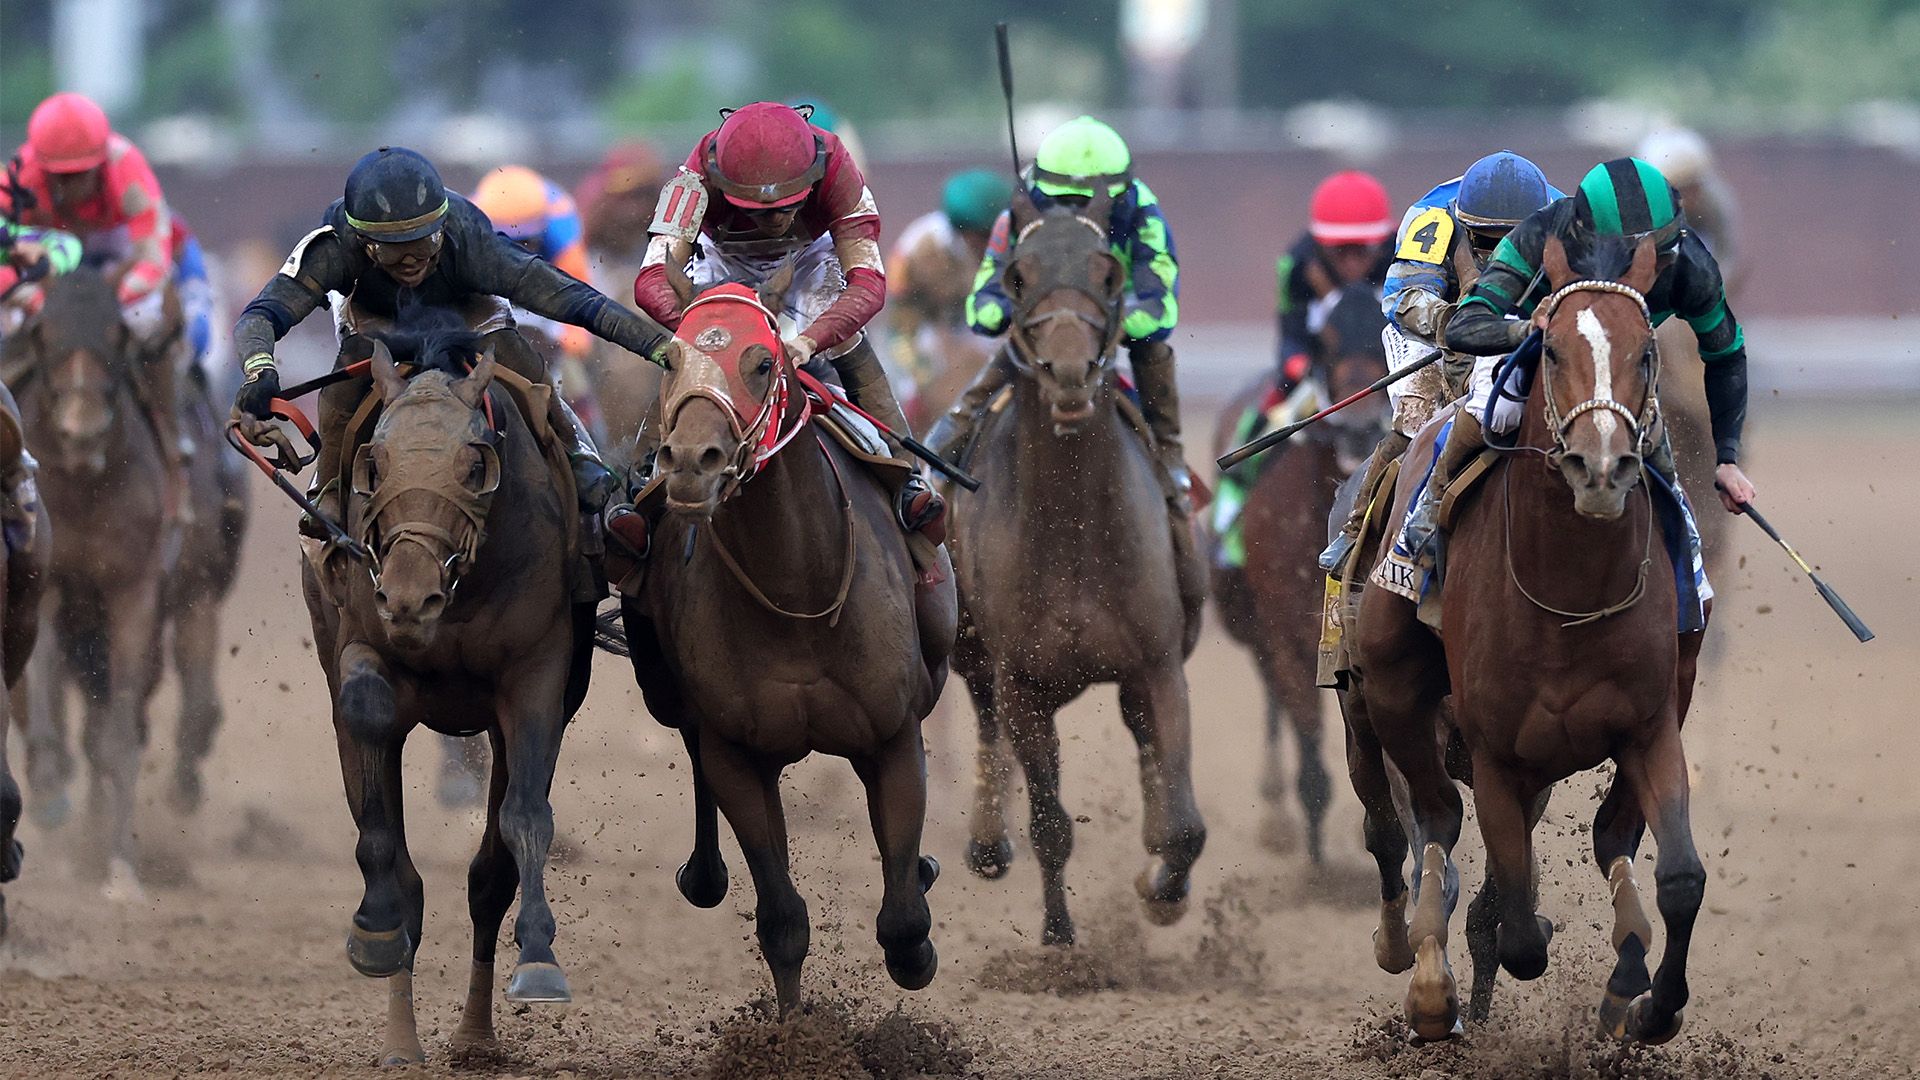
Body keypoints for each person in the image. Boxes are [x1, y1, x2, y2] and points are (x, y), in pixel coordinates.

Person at [228, 146, 677, 547]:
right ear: (362, 243)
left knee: (521, 358)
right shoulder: (331, 246)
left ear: (443, 226)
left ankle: (576, 455)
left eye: (424, 242)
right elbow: (261, 314)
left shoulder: (471, 239)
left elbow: (577, 302)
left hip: (467, 311)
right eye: (393, 250)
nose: (412, 261)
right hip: (376, 321)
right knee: (349, 369)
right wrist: (260, 370)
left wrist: (660, 347)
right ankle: (328, 486)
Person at [1400, 156, 1756, 565]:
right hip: (1532, 336)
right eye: (1634, 256)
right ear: (1587, 238)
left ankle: (1684, 544)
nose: (1652, 268)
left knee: (1649, 421)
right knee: (1493, 408)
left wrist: (1727, 458)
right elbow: (1467, 324)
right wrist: (1526, 331)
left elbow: (1727, 354)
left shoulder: (1690, 265)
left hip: (1620, 350)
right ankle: (1430, 504)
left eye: (1661, 251)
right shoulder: (1542, 234)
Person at [631, 101, 940, 535]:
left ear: (812, 178)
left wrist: (809, 341)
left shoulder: (837, 165)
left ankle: (904, 476)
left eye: (785, 208)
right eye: (755, 210)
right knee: (696, 353)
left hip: (809, 258)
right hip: (722, 260)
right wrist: (704, 325)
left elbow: (869, 285)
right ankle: (640, 485)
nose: (772, 220)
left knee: (845, 336)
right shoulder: (694, 175)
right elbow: (651, 278)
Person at [926, 115, 1196, 586]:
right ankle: (936, 463)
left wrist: (1102, 324)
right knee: (1005, 360)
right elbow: (983, 301)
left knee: (1155, 354)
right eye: (1064, 202)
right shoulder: (1019, 213)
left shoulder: (1144, 213)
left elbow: (1160, 307)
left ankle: (1169, 457)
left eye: (1088, 203)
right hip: (1041, 330)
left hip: (1114, 322)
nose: (1075, 213)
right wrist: (1022, 316)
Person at [1319, 151, 1561, 574]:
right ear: (1464, 225)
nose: (1505, 253)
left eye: (1519, 240)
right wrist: (1461, 324)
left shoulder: (1567, 222)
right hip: (1433, 331)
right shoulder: (1432, 217)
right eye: (1489, 241)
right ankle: (1357, 529)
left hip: (1528, 330)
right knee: (1416, 415)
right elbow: (1402, 300)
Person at [2, 91, 192, 503]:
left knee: (145, 316)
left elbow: (153, 258)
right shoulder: (19, 174)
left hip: (123, 252)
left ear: (102, 163)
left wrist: (108, 303)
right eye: (58, 176)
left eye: (81, 174)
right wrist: (38, 302)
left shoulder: (127, 166)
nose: (69, 186)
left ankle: (172, 437)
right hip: (56, 258)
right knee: (12, 320)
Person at [470, 165, 604, 435]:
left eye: (525, 241)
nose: (515, 252)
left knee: (573, 372)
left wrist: (570, 341)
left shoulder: (562, 223)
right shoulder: (469, 223)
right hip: (494, 304)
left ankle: (593, 452)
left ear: (542, 230)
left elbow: (579, 297)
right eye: (505, 241)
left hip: (547, 300)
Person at [1272, 171, 1394, 407]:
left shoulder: (1402, 253)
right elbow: (1291, 336)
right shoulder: (1296, 265)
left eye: (1363, 250)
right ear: (1320, 246)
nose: (1352, 263)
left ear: (1381, 245)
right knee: (1273, 400)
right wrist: (1300, 366)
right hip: (1320, 366)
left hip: (1387, 365)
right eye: (1339, 250)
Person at [885, 168, 1007, 398]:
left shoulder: (1013, 239)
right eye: (982, 236)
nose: (990, 243)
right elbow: (902, 323)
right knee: (912, 393)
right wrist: (921, 373)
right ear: (960, 228)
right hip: (934, 337)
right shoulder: (915, 249)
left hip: (995, 333)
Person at [1636, 128, 1740, 289]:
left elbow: (1725, 252)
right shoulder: (1644, 212)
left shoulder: (1713, 203)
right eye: (1680, 189)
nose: (1688, 198)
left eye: (1694, 188)